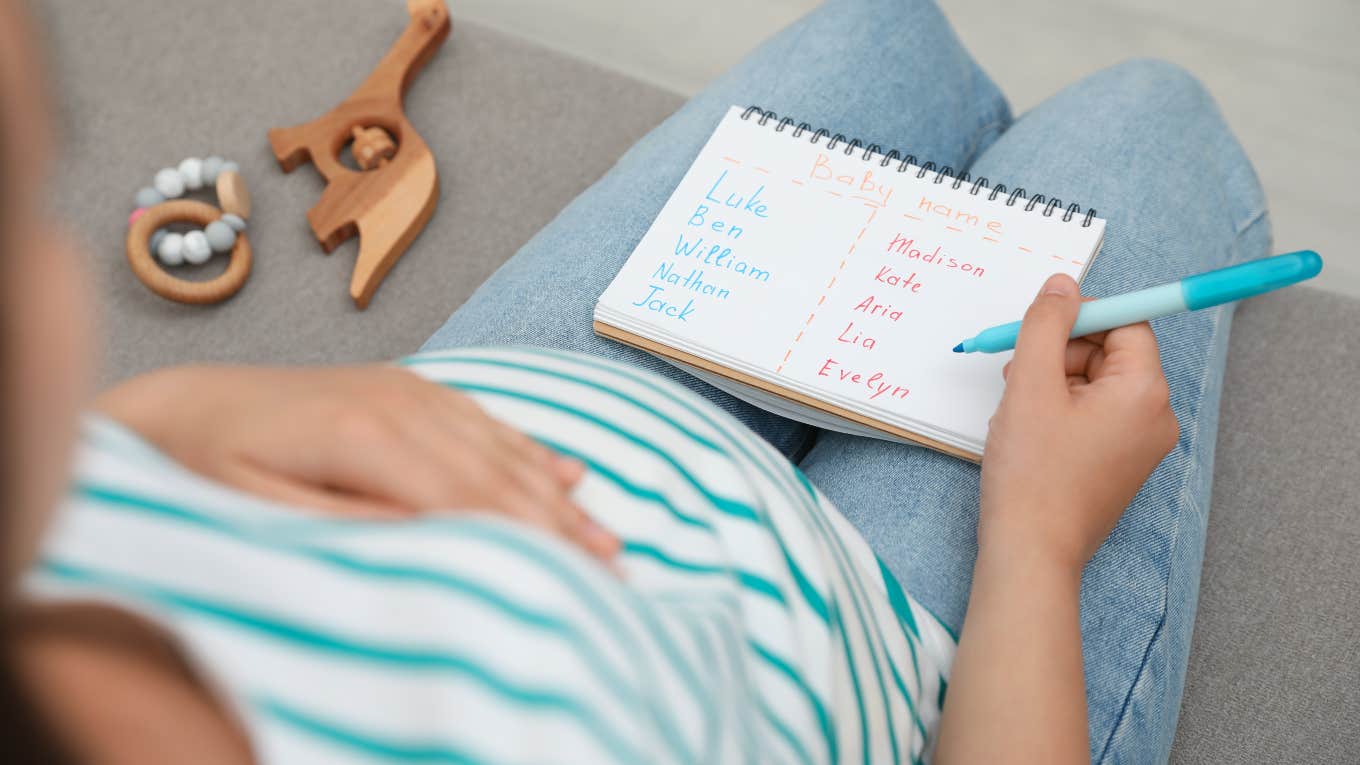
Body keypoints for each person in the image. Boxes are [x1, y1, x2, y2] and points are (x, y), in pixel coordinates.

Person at [0, 0, 1268, 761]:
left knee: (881, 33)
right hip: (892, 651)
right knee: (1149, 115)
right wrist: (1040, 544)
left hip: (526, 401)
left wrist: (178, 415)